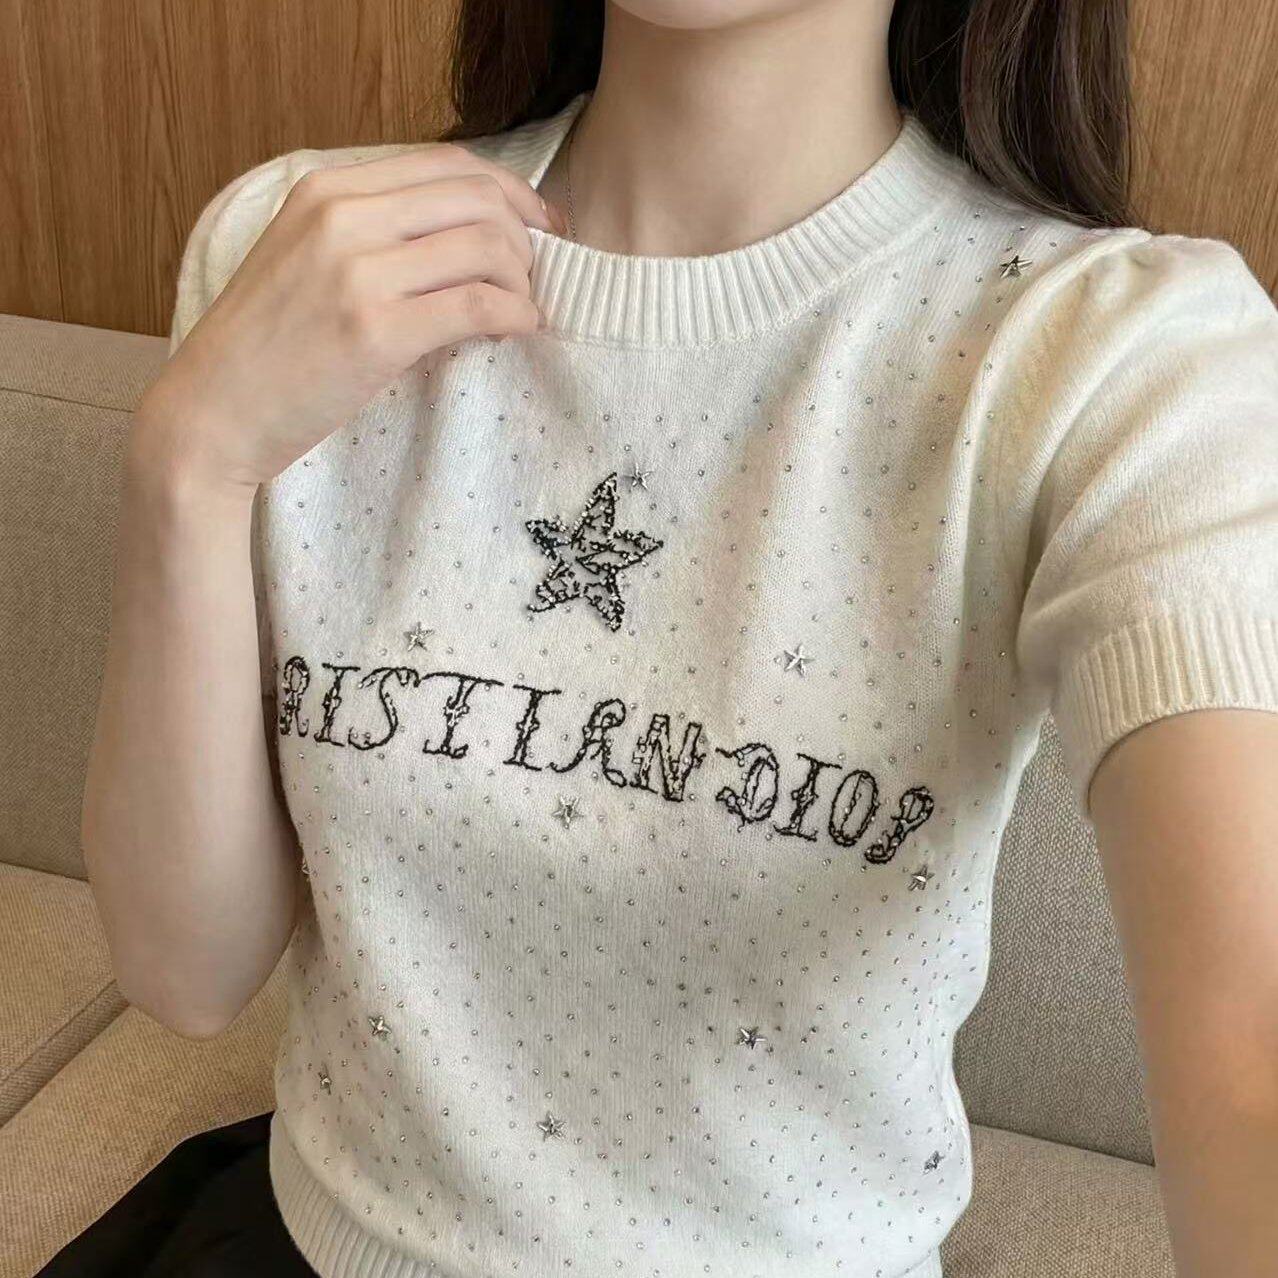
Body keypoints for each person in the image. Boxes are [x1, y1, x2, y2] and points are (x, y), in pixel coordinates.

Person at [76, 1, 1278, 1276]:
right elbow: (186, 974)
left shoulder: (1118, 359)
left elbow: (1251, 1057)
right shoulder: (295, 248)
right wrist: (189, 462)